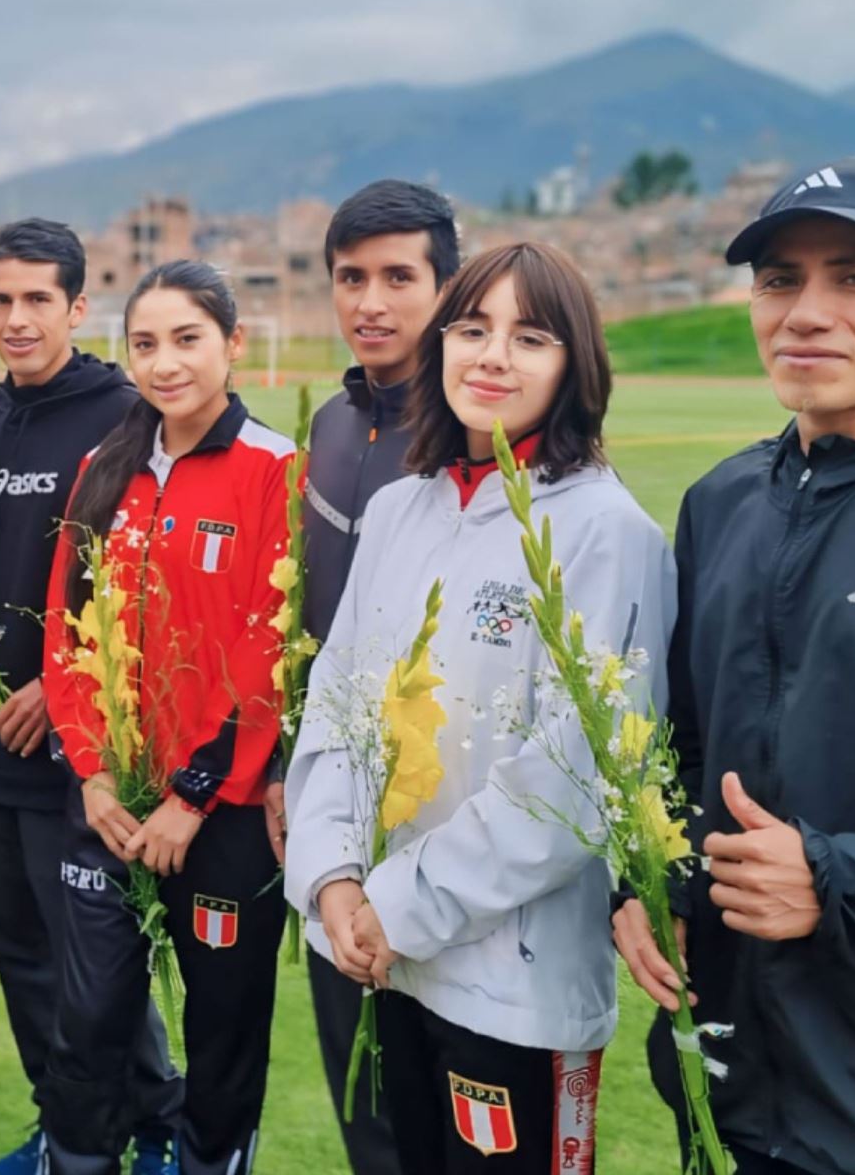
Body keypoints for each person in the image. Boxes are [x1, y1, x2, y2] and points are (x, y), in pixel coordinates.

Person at [287, 242, 675, 1174]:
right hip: (372, 956)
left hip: (513, 988)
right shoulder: (399, 510)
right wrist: (335, 880)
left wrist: (394, 906)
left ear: (574, 364)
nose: (493, 356)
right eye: (472, 328)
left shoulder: (605, 531)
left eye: (529, 336)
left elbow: (570, 785)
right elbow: (336, 707)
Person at [613, 156, 855, 1175]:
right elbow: (682, 743)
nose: (806, 312)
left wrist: (840, 882)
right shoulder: (723, 503)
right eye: (778, 279)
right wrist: (648, 882)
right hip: (726, 1081)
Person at [0, 219, 181, 1174]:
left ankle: (149, 1132)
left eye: (36, 300)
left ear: (76, 307)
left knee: (97, 977)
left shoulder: (125, 417)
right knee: (22, 962)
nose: (16, 320)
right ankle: (63, 1127)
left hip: (87, 761)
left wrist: (57, 692)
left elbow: (146, 589)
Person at [40, 260, 294, 1175]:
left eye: (187, 339)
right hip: (108, 802)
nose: (164, 363)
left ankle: (209, 1160)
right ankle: (76, 1159)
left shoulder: (273, 470)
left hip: (215, 819)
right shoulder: (99, 471)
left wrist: (194, 793)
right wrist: (95, 772)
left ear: (232, 343)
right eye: (144, 344)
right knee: (93, 1013)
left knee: (223, 1027)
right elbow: (67, 635)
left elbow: (269, 650)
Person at [290, 179, 459, 1174]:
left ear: (447, 286)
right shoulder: (332, 428)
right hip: (331, 819)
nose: (371, 302)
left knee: (449, 1117)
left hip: (444, 824)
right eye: (351, 277)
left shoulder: (477, 437)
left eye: (400, 277)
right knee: (368, 1115)